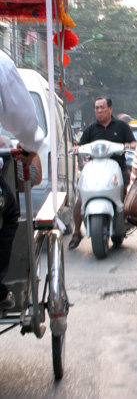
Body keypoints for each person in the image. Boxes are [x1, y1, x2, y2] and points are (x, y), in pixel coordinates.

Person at [0, 50, 44, 309]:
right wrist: (28, 146)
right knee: (9, 212)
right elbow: (24, 121)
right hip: (14, 168)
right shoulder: (2, 63)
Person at [69, 96, 137, 250]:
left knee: (131, 196)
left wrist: (129, 145)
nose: (99, 111)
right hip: (95, 169)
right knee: (80, 199)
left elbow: (133, 142)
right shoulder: (91, 129)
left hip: (118, 168)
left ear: (110, 109)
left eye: (102, 107)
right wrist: (75, 149)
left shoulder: (121, 126)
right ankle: (76, 232)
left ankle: (133, 225)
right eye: (96, 108)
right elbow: (79, 146)